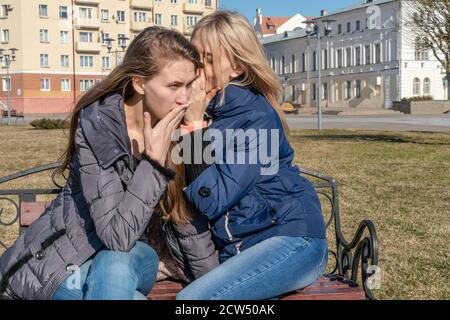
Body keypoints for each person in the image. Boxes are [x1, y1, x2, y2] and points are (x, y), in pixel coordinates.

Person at [0, 27, 218, 300]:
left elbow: (187, 219)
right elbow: (117, 235)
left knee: (115, 262)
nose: (185, 98)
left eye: (188, 85)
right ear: (139, 84)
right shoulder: (100, 128)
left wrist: (220, 291)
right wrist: (153, 163)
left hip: (138, 259)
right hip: (66, 265)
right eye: (174, 85)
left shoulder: (178, 129)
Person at [176, 11, 328, 300]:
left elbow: (213, 199)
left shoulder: (254, 117)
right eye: (195, 58)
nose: (197, 69)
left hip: (293, 240)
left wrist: (194, 130)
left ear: (236, 66)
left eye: (207, 59)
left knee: (195, 302)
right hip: (246, 249)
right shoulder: (209, 112)